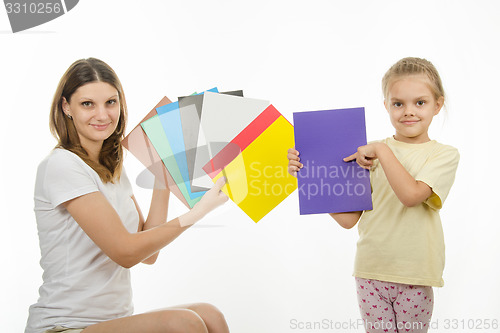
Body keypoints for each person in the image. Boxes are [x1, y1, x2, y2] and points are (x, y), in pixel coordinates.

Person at [25, 58, 230, 333]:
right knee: (184, 324)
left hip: (112, 323)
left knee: (210, 315)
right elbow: (126, 252)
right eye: (88, 104)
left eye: (111, 102)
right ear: (66, 107)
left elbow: (148, 254)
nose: (102, 115)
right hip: (64, 327)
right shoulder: (62, 166)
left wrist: (163, 173)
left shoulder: (112, 169)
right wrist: (198, 213)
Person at [287, 57, 459, 333]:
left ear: (438, 104)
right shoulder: (371, 151)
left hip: (414, 273)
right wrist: (308, 177)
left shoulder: (442, 155)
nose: (408, 112)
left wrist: (381, 151)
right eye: (398, 103)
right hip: (370, 271)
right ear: (387, 106)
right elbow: (348, 219)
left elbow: (412, 195)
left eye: (420, 102)